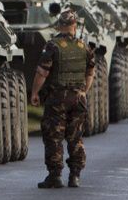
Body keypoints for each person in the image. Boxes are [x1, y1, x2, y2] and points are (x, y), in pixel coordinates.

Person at [30, 11, 95, 189]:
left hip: (57, 99)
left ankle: (55, 176)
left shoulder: (53, 46)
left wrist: (35, 93)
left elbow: (42, 72)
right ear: (75, 26)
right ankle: (75, 176)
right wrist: (83, 91)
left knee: (54, 137)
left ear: (59, 25)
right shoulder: (85, 46)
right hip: (78, 98)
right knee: (76, 137)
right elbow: (90, 73)